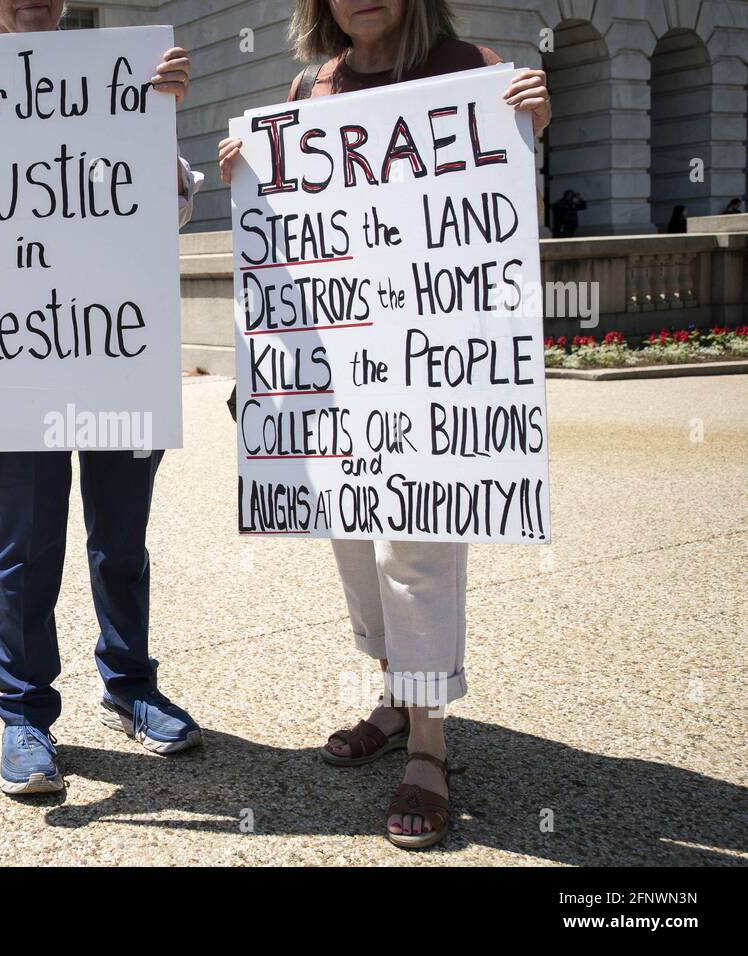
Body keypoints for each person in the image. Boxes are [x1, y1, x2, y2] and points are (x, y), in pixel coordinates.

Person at [219, 0, 551, 850]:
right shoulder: (310, 88)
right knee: (355, 545)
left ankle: (431, 747)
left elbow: (493, 217)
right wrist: (247, 178)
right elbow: (291, 239)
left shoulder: (469, 69)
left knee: (416, 550)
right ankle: (397, 700)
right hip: (339, 375)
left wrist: (528, 128)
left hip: (427, 372)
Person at [0, 0, 207, 795]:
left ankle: (129, 684)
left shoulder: (120, 75)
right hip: (10, 357)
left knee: (120, 539)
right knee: (26, 543)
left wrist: (156, 121)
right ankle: (25, 714)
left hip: (115, 351)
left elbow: (165, 207)